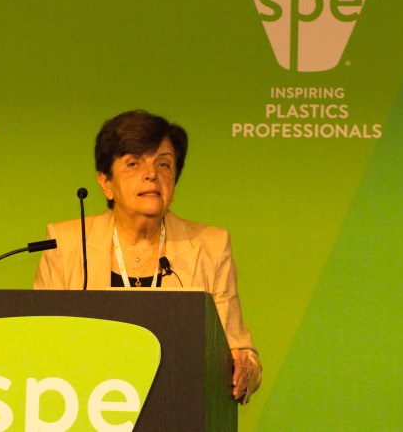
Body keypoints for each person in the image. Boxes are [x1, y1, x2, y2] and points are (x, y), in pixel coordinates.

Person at [34, 110, 261, 404]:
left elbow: (241, 351)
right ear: (106, 183)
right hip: (84, 405)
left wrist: (243, 368)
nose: (152, 174)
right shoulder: (65, 244)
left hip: (176, 406)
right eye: (134, 163)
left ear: (174, 184)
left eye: (163, 164)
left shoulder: (210, 246)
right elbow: (40, 344)